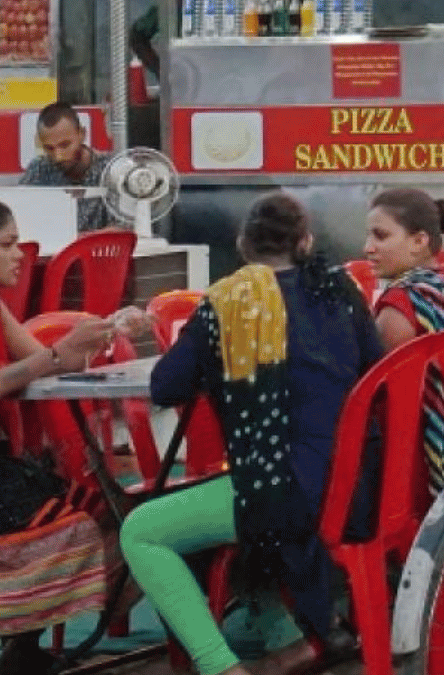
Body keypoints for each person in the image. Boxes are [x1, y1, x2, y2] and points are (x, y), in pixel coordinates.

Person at [122, 193, 383, 675]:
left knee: (141, 530)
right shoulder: (340, 291)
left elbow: (165, 386)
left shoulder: (229, 304)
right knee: (239, 501)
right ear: (306, 242)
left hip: (284, 490)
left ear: (243, 245)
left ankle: (219, 665)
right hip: (357, 485)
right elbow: (376, 368)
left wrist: (226, 365)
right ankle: (291, 641)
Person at [0, 198, 147, 675]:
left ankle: (19, 648)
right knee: (93, 523)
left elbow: (45, 361)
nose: (21, 254)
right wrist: (60, 354)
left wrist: (109, 331)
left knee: (116, 512)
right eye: (8, 244)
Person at [363, 188, 444, 488]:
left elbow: (375, 393)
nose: (367, 248)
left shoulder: (401, 305)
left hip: (417, 453)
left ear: (419, 241)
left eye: (380, 237)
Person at [19, 103, 112, 233]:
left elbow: (126, 227)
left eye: (65, 145)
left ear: (82, 134)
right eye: (49, 148)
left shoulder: (110, 170)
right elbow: (19, 218)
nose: (58, 156)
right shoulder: (39, 169)